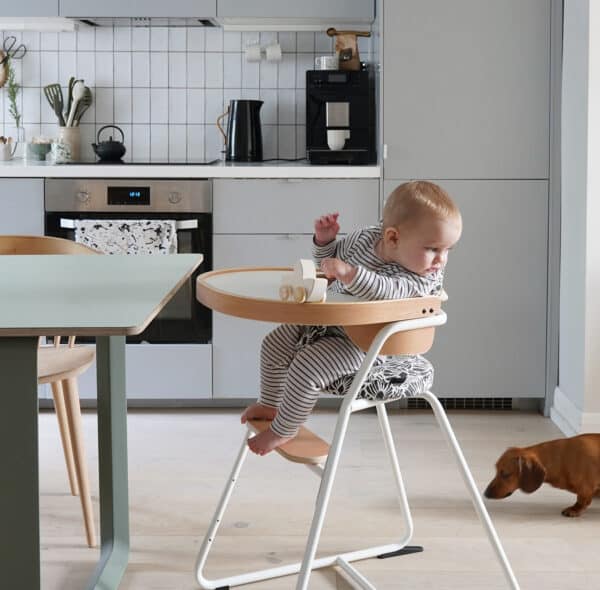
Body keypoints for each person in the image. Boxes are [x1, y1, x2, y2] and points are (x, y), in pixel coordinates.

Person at [241, 180, 463, 455]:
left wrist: (350, 274)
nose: (441, 260)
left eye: (447, 250)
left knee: (307, 365)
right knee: (274, 343)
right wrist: (325, 242)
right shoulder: (365, 240)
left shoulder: (419, 279)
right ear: (392, 237)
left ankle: (284, 429)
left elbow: (387, 290)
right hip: (326, 321)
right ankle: (270, 403)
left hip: (366, 343)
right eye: (433, 249)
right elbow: (331, 263)